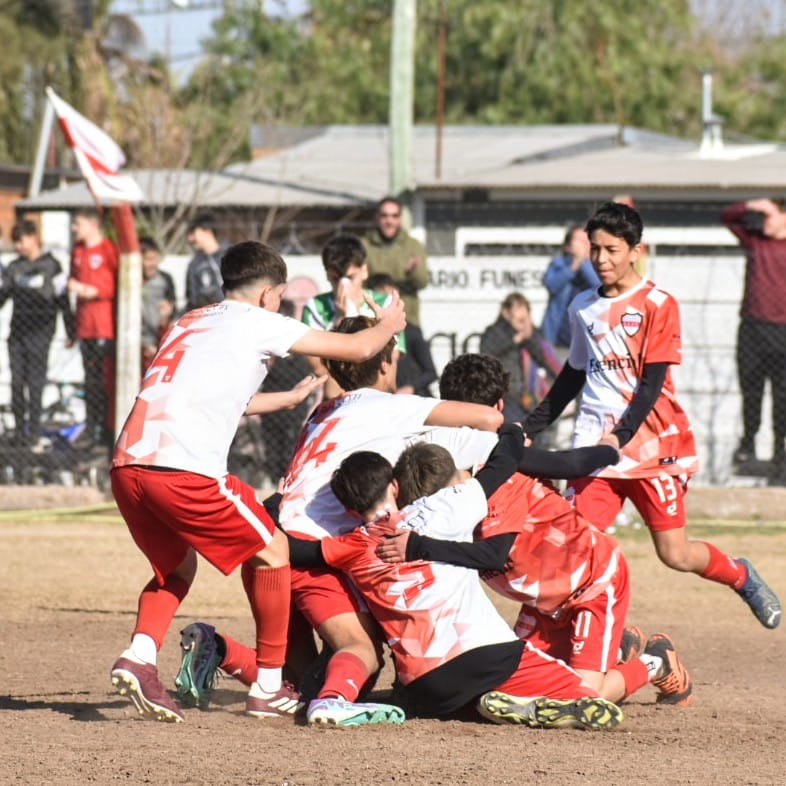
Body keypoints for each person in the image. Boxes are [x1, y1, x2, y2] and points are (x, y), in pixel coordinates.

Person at [108, 240, 407, 724]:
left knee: (176, 570)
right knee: (274, 549)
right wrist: (390, 324)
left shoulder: (188, 321)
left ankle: (140, 657)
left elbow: (207, 396)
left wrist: (285, 400)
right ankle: (268, 684)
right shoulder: (258, 322)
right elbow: (355, 349)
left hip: (127, 466)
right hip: (183, 469)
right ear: (270, 294)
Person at [173, 314, 504, 726]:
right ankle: (333, 701)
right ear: (384, 362)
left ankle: (217, 650)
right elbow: (489, 419)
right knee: (361, 654)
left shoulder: (321, 413)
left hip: (266, 547)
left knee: (291, 688)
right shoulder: (391, 406)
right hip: (310, 558)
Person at [378, 352, 693, 708]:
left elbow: (494, 550)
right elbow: (566, 463)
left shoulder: (498, 471)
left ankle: (656, 661)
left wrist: (609, 449)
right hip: (542, 601)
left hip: (591, 584)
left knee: (586, 697)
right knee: (511, 690)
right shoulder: (441, 463)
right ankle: (616, 647)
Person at [523, 201, 782, 631]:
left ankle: (740, 574)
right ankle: (553, 643)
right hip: (595, 447)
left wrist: (619, 437)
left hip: (650, 445)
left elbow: (651, 385)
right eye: (595, 249)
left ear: (635, 251)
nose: (601, 259)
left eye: (611, 249)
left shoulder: (658, 303)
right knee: (572, 545)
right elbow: (572, 376)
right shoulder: (582, 306)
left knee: (674, 554)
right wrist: (527, 427)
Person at [318, 439, 624, 730]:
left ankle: (649, 662)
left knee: (578, 694)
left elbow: (297, 550)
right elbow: (492, 544)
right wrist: (514, 430)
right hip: (515, 626)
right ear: (395, 488)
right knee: (573, 696)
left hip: (591, 583)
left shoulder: (354, 545)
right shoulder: (448, 508)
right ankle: (639, 660)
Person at [721, 198, 786, 482]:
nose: (765, 222)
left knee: (781, 397)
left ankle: (780, 454)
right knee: (752, 390)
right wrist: (753, 204)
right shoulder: (756, 241)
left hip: (782, 330)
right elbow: (728, 216)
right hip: (752, 327)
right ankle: (748, 443)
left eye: (770, 216)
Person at [0, 220, 75, 448]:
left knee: (35, 384)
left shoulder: (52, 266)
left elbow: (62, 300)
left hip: (41, 333)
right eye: (16, 243)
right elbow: (3, 297)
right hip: (18, 333)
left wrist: (71, 330)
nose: (19, 247)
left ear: (33, 237)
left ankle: (33, 430)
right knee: (16, 383)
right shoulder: (14, 268)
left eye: (21, 241)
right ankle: (20, 430)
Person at [301, 235, 395, 398]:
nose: (343, 286)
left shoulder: (385, 303)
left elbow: (390, 370)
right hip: (338, 399)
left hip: (378, 397)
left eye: (351, 278)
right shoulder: (316, 307)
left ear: (364, 271)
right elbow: (320, 369)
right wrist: (341, 321)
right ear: (328, 275)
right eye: (336, 279)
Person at [67, 208, 118, 448]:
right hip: (85, 327)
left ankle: (107, 431)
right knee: (90, 381)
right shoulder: (77, 251)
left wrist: (91, 291)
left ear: (92, 224)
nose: (74, 229)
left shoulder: (108, 250)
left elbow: (116, 286)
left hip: (104, 326)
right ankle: (91, 428)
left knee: (104, 380)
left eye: (77, 223)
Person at [479, 292, 562, 424]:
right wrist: (515, 340)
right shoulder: (494, 332)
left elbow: (544, 358)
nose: (522, 323)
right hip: (505, 396)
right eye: (519, 319)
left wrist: (529, 336)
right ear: (506, 313)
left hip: (529, 397)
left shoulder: (532, 334)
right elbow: (487, 353)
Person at [362, 196, 429, 327]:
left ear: (400, 219)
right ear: (377, 218)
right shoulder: (364, 246)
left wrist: (414, 272)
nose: (389, 221)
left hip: (406, 318)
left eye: (394, 216)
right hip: (372, 318)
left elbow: (423, 282)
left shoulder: (413, 246)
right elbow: (359, 283)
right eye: (384, 216)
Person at [367, 272, 437, 396]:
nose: (386, 303)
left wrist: (411, 387)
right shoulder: (369, 333)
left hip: (415, 398)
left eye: (390, 296)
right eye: (381, 298)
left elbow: (431, 373)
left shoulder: (411, 332)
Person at [541, 225, 599, 357]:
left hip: (586, 340)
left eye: (586, 240)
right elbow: (552, 285)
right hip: (558, 340)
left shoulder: (596, 267)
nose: (583, 244)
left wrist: (583, 263)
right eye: (578, 240)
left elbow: (599, 287)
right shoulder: (558, 264)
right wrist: (574, 266)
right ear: (567, 246)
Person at [139, 237, 176, 374]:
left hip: (158, 343)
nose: (152, 264)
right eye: (148, 259)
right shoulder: (129, 281)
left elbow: (171, 311)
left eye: (155, 259)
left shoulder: (165, 280)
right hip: (138, 344)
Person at [184, 212, 227, 312]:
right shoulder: (194, 265)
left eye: (193, 233)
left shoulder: (232, 254)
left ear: (207, 231)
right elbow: (192, 299)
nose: (190, 239)